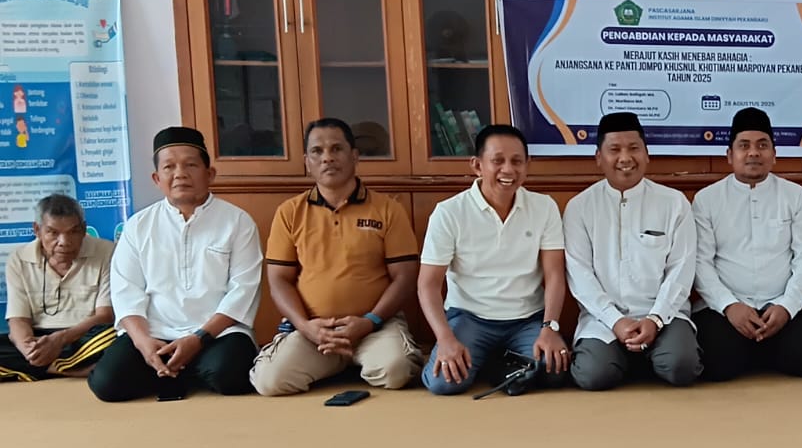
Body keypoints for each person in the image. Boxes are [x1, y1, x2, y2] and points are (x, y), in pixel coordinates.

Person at [249, 118, 424, 395]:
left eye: (336, 149)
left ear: (354, 156)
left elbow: (405, 277)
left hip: (375, 325)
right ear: (307, 162)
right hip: (314, 330)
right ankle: (338, 361)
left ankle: (351, 360)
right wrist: (305, 327)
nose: (327, 158)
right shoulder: (290, 212)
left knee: (396, 371)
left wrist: (369, 321)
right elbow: (279, 280)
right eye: (317, 151)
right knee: (270, 381)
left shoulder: (388, 209)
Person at [89, 127, 262, 401]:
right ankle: (174, 367)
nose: (180, 174)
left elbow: (243, 290)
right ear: (157, 179)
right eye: (169, 167)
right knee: (107, 384)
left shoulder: (238, 222)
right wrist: (143, 343)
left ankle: (171, 370)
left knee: (231, 376)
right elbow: (125, 293)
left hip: (215, 334)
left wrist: (198, 339)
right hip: (155, 332)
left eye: (190, 165)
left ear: (209, 174)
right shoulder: (138, 226)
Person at [416, 123, 569, 396]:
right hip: (470, 317)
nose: (508, 170)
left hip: (526, 319)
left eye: (517, 161)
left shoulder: (544, 206)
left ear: (527, 165)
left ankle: (495, 362)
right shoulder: (449, 212)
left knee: (553, 370)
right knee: (444, 383)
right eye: (497, 161)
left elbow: (555, 275)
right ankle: (487, 359)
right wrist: (445, 338)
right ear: (477, 165)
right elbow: (427, 284)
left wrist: (550, 327)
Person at [563, 111, 700, 390]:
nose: (625, 158)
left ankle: (648, 354)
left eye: (634, 148)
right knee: (593, 375)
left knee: (681, 366)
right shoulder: (579, 208)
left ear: (647, 154)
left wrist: (655, 319)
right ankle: (628, 357)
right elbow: (579, 275)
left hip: (664, 315)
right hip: (603, 319)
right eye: (614, 150)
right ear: (599, 157)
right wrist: (615, 321)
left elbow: (681, 270)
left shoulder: (674, 203)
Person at [693, 106, 802, 380]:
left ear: (774, 154)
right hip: (727, 308)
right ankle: (762, 350)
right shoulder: (707, 199)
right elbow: (700, 263)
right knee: (716, 360)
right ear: (730, 155)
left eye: (762, 145)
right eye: (744, 146)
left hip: (781, 304)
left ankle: (759, 348)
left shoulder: (796, 196)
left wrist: (786, 307)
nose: (753, 153)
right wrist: (730, 306)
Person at [2, 194, 115, 381]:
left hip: (85, 337)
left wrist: (60, 339)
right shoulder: (19, 259)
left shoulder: (106, 252)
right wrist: (29, 350)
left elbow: (105, 316)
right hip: (40, 338)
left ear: (83, 229)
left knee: (117, 336)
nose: (64, 241)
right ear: (37, 230)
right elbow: (18, 319)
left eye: (73, 232)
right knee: (13, 341)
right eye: (53, 233)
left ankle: (40, 368)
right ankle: (63, 368)